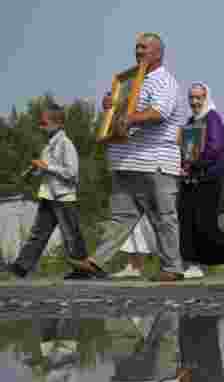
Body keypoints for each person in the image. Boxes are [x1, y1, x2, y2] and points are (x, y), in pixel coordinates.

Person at [74, 33, 188, 282]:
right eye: (136, 47)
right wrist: (112, 107)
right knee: (121, 217)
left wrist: (129, 117)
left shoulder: (163, 80)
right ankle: (96, 262)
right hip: (127, 161)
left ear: (158, 53)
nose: (138, 52)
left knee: (163, 217)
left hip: (154, 161)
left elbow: (159, 112)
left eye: (144, 48)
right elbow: (123, 116)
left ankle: (173, 267)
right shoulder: (132, 82)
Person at [8, 105, 90, 280]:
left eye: (44, 123)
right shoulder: (48, 146)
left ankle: (83, 269)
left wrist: (46, 166)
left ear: (58, 123)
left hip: (63, 197)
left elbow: (71, 172)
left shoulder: (66, 144)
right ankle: (21, 267)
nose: (40, 127)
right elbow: (48, 170)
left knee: (71, 234)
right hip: (49, 195)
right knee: (39, 233)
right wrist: (35, 171)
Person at [178, 82, 224, 279]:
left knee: (204, 224)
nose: (195, 102)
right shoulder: (190, 121)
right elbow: (186, 149)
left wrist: (193, 163)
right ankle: (194, 265)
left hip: (209, 178)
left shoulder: (213, 118)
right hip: (191, 178)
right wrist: (183, 164)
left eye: (199, 98)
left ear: (206, 98)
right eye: (191, 98)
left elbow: (215, 148)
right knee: (188, 222)